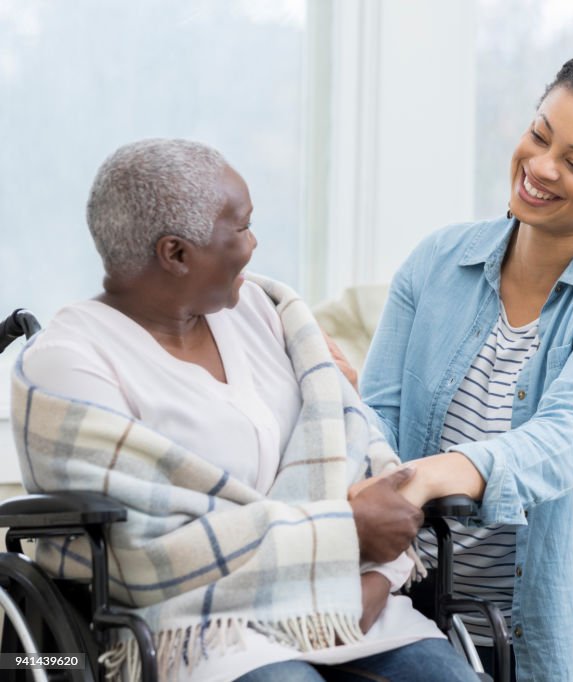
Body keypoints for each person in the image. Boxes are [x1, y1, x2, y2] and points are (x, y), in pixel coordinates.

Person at [13, 139, 478, 682]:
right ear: (176, 253)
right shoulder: (68, 363)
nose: (254, 243)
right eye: (240, 227)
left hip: (345, 598)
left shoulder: (268, 314)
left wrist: (373, 582)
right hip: (193, 629)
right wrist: (343, 531)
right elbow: (144, 552)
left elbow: (364, 459)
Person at [357, 48, 573, 681]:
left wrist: (444, 473)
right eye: (539, 135)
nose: (539, 167)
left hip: (519, 620)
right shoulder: (438, 260)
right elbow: (377, 416)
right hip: (390, 592)